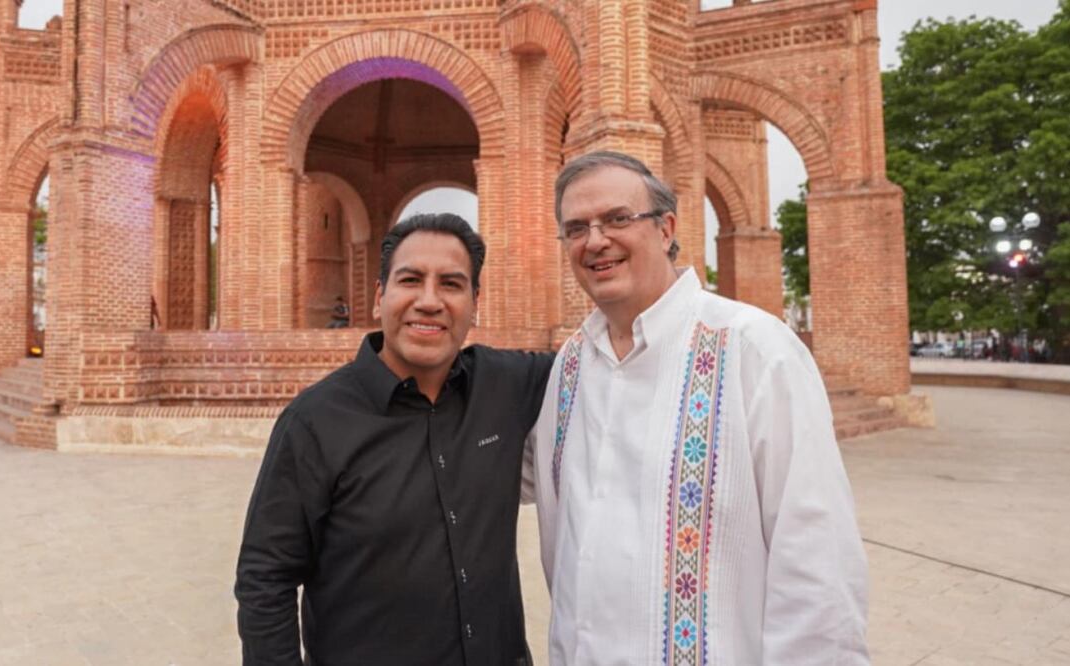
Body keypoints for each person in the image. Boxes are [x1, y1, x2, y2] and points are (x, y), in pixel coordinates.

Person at [526, 151, 869, 665]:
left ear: (666, 228)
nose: (595, 241)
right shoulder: (570, 367)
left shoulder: (753, 350)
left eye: (618, 218)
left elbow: (818, 560)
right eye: (576, 228)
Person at [236, 213, 553, 665]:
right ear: (379, 297)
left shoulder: (508, 386)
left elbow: (610, 356)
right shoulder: (316, 421)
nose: (429, 301)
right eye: (410, 280)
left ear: (475, 302)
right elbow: (265, 577)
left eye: (451, 283)